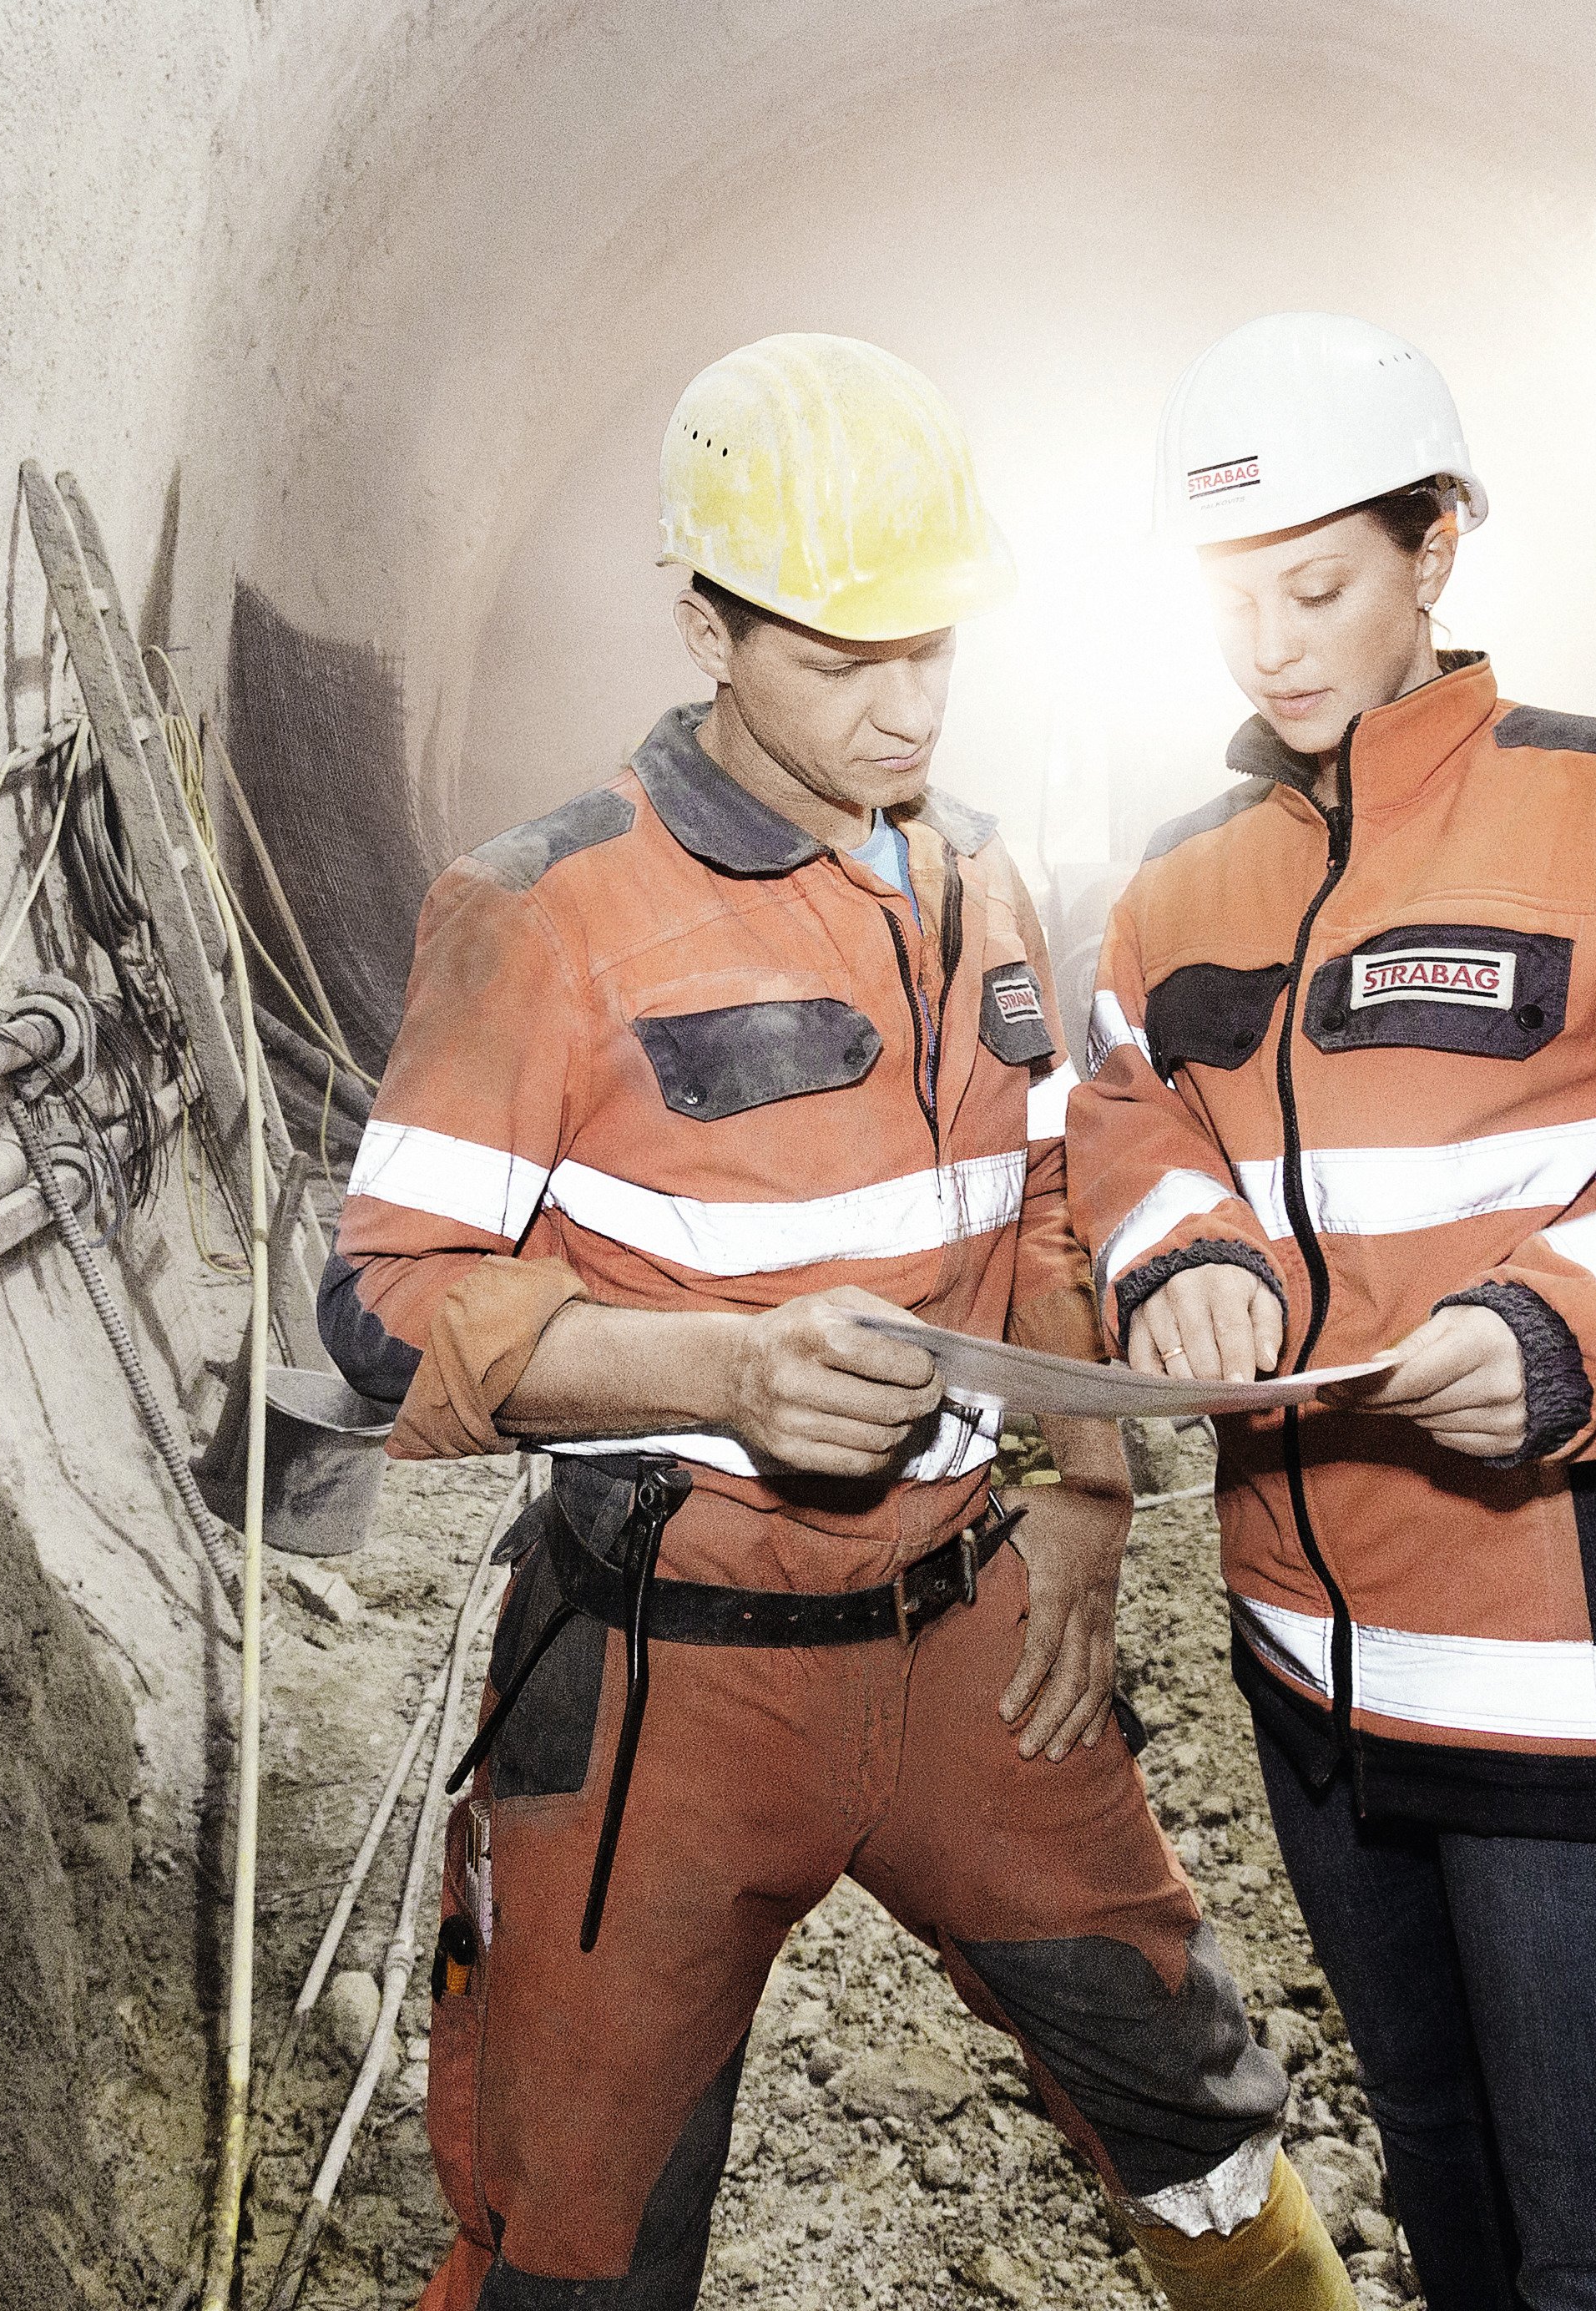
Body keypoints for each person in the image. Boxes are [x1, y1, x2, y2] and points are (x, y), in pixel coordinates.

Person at [326, 331, 1353, 2311]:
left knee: (1200, 2112)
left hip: (970, 1645)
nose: (909, 709)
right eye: (844, 657)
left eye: (937, 650)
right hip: (664, 1686)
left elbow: (1047, 1210)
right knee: (574, 2235)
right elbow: (383, 1309)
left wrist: (1087, 1492)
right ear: (706, 626)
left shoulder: (978, 879)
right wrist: (724, 1372)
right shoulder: (542, 909)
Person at [1070, 311, 1596, 2311]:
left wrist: (1560, 1331)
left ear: (1436, 549)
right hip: (1322, 1693)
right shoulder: (1179, 883)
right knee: (1462, 2218)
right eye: (1231, 595)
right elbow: (1129, 1113)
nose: (1272, 642)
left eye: (1319, 582)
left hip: (1578, 1693)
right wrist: (1184, 1257)